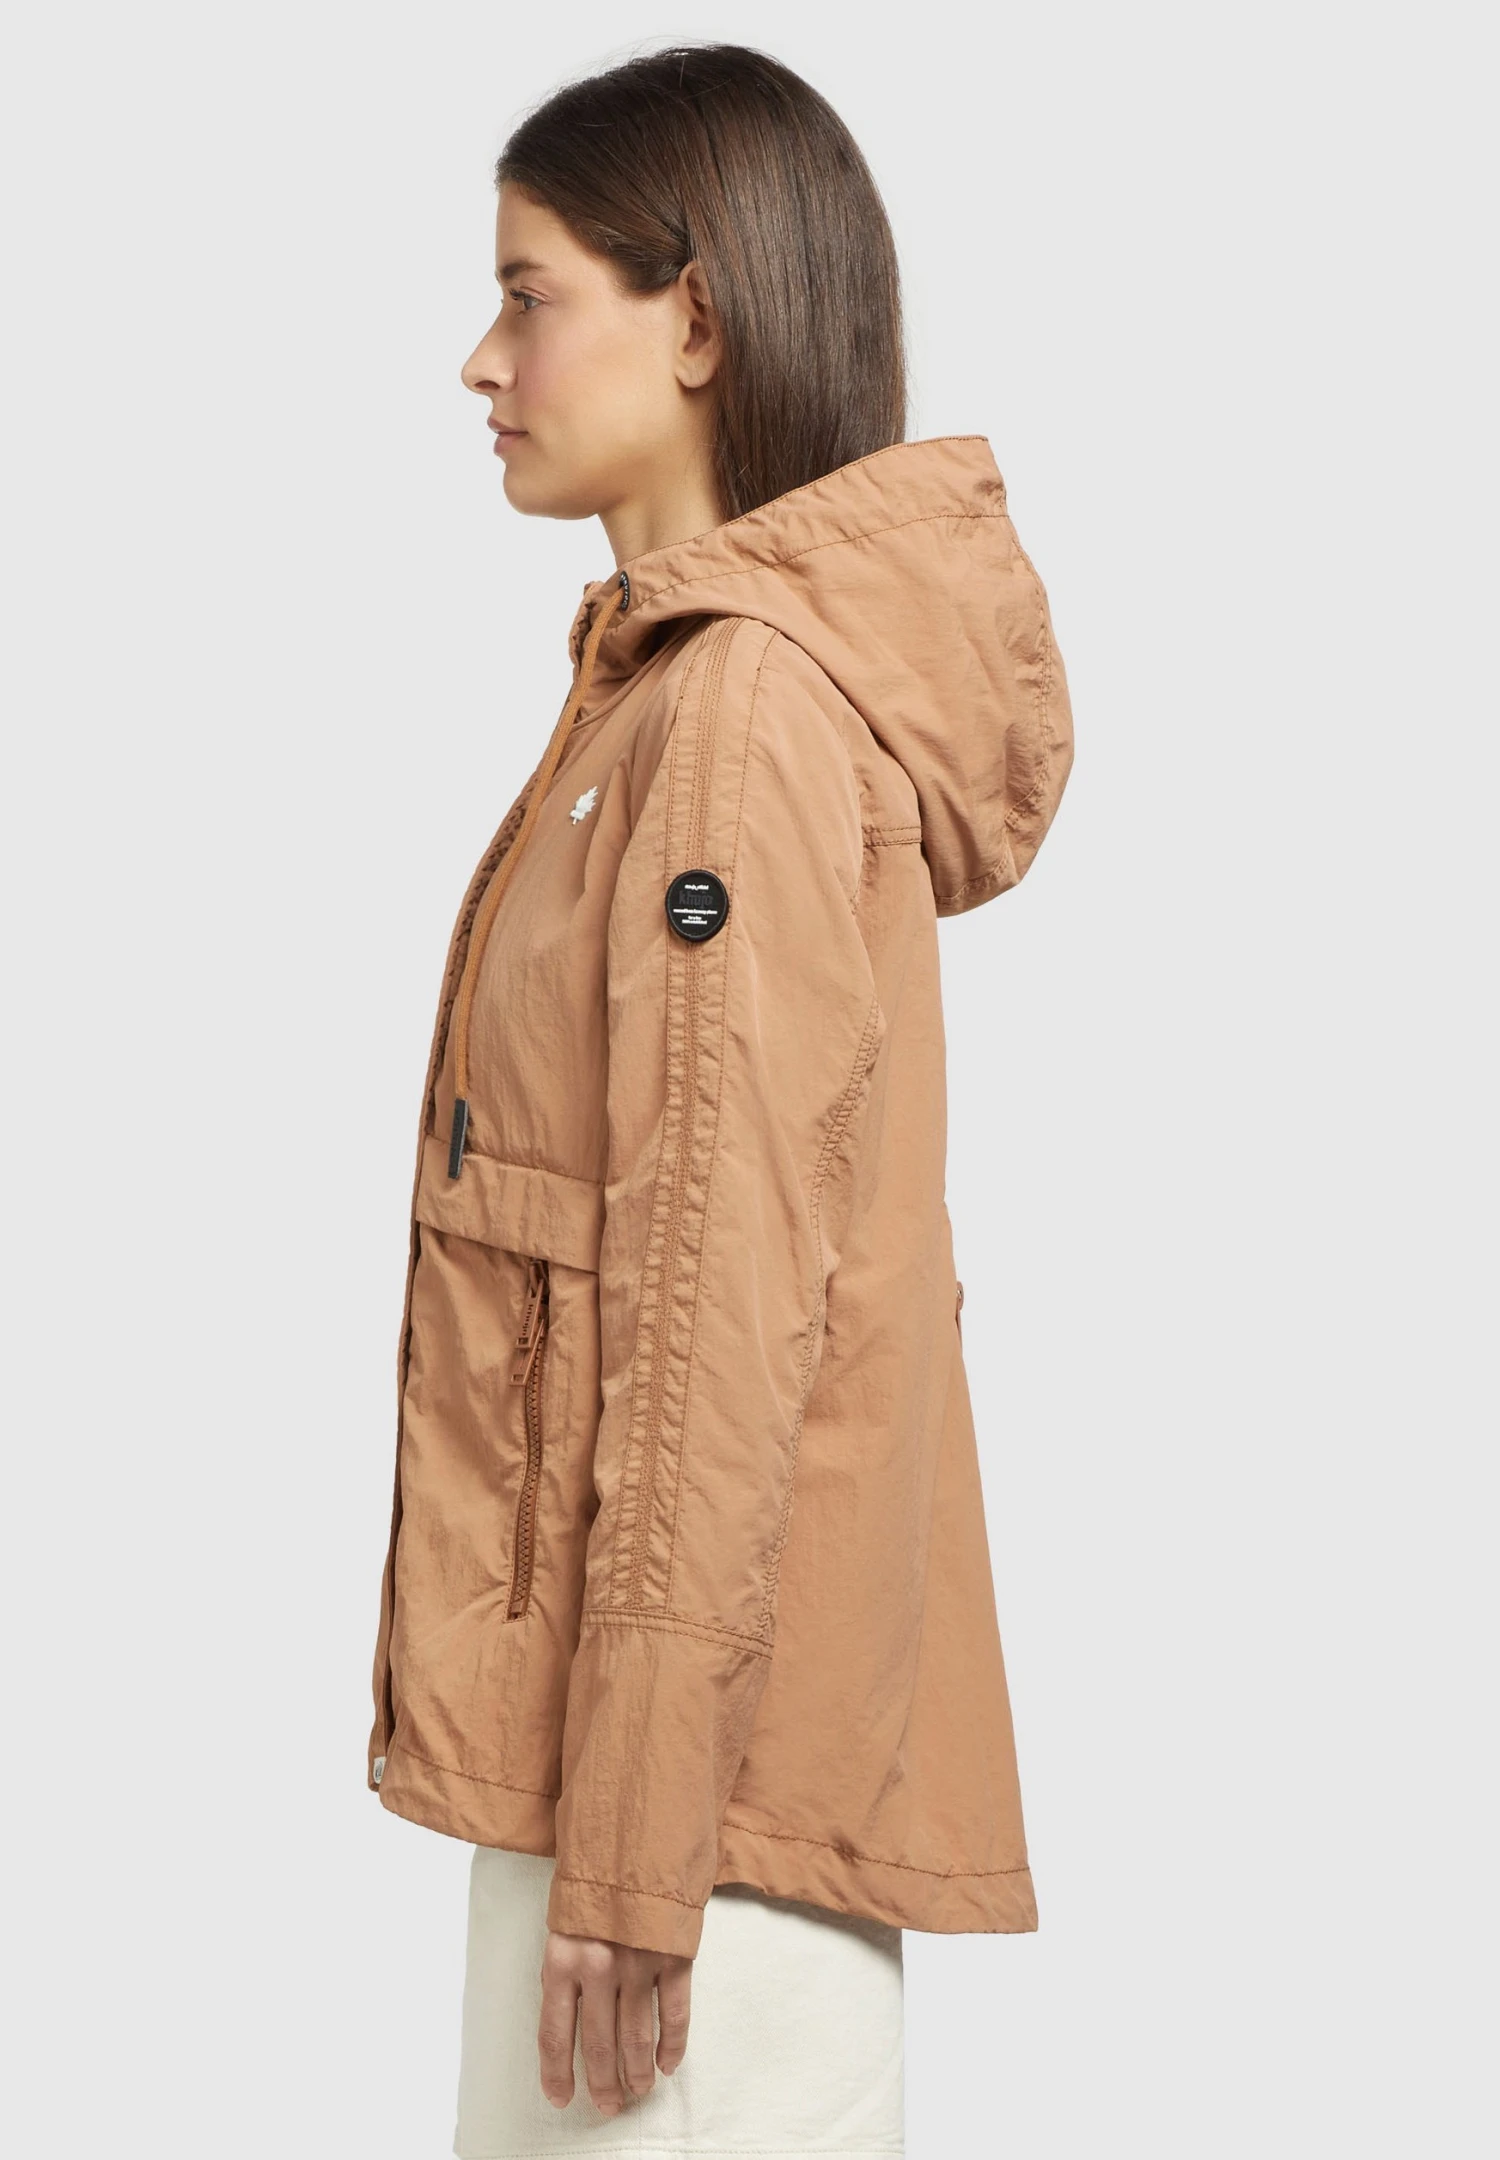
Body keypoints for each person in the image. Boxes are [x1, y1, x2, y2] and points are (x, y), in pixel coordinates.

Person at [366, 41, 1074, 2158]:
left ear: (694, 317)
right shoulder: (676, 691)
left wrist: (636, 1840)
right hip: (653, 1790)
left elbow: (716, 1300)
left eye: (529, 293)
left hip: (684, 1834)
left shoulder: (737, 720)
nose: (481, 359)